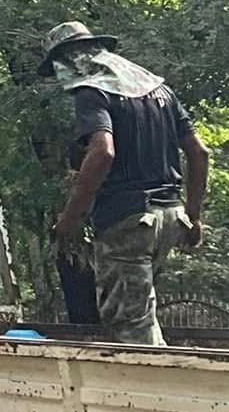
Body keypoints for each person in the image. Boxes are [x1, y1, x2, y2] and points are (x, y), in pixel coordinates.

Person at [43, 21, 208, 346]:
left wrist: (70, 220)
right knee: (141, 315)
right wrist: (194, 217)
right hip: (169, 217)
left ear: (71, 59)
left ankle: (159, 393)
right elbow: (199, 153)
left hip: (128, 223)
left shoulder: (94, 92)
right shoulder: (160, 90)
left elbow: (102, 152)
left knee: (130, 328)